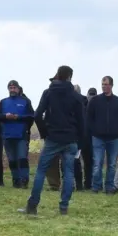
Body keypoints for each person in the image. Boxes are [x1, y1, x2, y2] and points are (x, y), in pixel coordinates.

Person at [20, 65, 84, 216]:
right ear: (69, 77)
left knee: (41, 171)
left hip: (53, 138)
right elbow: (82, 121)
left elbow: (37, 115)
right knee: (68, 173)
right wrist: (79, 140)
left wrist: (44, 133)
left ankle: (32, 205)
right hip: (70, 139)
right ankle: (63, 208)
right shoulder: (76, 97)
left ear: (57, 75)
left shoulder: (48, 93)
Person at [85, 76, 118, 194]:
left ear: (111, 85)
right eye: (102, 84)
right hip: (98, 138)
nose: (104, 86)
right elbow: (89, 118)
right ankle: (96, 186)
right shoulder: (95, 101)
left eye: (106, 84)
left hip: (114, 138)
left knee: (112, 164)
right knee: (97, 163)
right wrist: (94, 130)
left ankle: (109, 186)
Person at [0, 80, 35, 188]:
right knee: (12, 160)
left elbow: (32, 116)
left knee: (22, 158)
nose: (12, 90)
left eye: (14, 88)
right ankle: (15, 181)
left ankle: (24, 180)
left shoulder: (25, 101)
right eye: (10, 88)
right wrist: (6, 116)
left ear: (18, 89)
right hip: (7, 135)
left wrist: (18, 117)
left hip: (21, 135)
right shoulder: (3, 102)